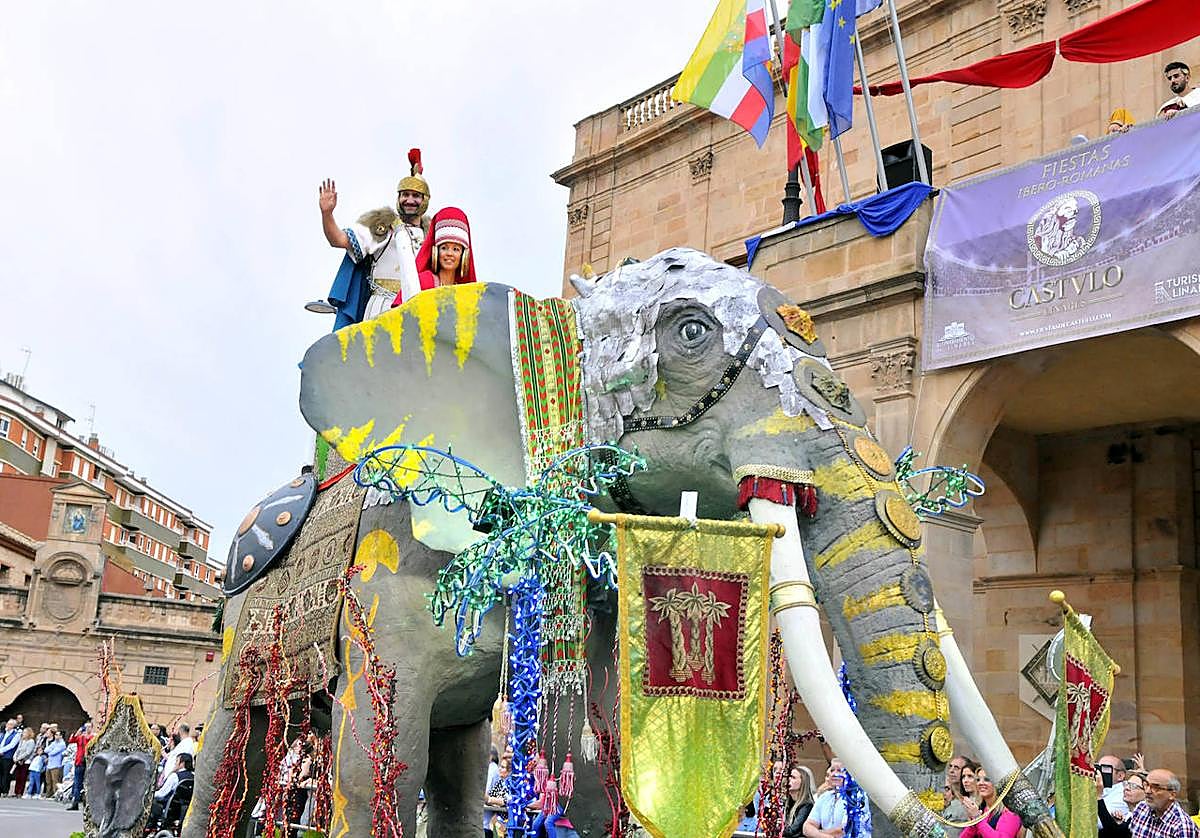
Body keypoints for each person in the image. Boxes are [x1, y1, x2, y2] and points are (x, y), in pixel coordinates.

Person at [319, 148, 432, 328]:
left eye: (416, 196)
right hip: (381, 306)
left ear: (425, 200)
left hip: (418, 310)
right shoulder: (384, 226)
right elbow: (339, 240)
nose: (410, 200)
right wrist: (327, 214)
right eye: (405, 194)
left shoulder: (431, 236)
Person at [392, 206, 478, 307]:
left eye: (456, 249)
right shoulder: (423, 281)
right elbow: (399, 311)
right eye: (444, 248)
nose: (449, 253)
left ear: (464, 255)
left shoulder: (465, 292)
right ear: (435, 251)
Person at [1127, 769, 1199, 838]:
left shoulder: (1182, 827)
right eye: (1146, 785)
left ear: (1172, 795)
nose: (1147, 791)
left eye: (1155, 788)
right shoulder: (1141, 808)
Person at [960, 770, 1021, 838]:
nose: (980, 783)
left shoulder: (1010, 811)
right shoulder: (981, 808)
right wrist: (973, 822)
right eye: (978, 780)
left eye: (987, 779)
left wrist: (978, 819)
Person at [149, 753, 194, 830]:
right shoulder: (193, 777)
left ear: (182, 763)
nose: (175, 764)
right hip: (184, 810)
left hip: (169, 809)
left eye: (176, 761)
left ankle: (150, 827)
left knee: (152, 802)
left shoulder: (175, 776)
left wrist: (150, 794)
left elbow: (162, 794)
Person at [804, 759, 847, 838]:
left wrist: (815, 833)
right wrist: (822, 836)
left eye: (839, 771)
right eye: (832, 770)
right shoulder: (824, 796)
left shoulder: (857, 797)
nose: (834, 774)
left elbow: (843, 830)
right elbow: (807, 827)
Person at [1099, 770, 1147, 838]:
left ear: (1146, 793)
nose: (1127, 788)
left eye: (1133, 786)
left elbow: (1113, 831)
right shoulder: (1129, 815)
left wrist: (1099, 797)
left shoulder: (1143, 818)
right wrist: (1120, 824)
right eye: (1126, 784)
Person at [784, 765, 816, 838]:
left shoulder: (807, 805)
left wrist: (774, 829)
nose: (789, 779)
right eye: (789, 777)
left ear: (802, 782)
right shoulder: (788, 803)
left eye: (793, 777)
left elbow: (792, 831)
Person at [66, 721, 92, 810]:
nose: (87, 729)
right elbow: (71, 740)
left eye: (89, 727)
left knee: (86, 783)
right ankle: (75, 802)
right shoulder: (80, 737)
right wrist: (78, 732)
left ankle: (85, 802)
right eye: (86, 727)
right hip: (79, 762)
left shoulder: (93, 737)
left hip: (88, 762)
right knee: (77, 783)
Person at [1098, 754, 1131, 820]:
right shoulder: (1102, 788)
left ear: (1120, 776)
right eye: (1098, 768)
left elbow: (1099, 821)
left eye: (1105, 769)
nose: (1099, 772)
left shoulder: (1123, 794)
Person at [11, 727, 34, 797]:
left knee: (22, 777)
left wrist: (19, 758)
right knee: (17, 777)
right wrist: (15, 757)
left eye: (25, 732)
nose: (23, 734)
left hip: (25, 761)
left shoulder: (31, 741)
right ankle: (16, 792)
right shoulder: (22, 740)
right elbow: (18, 750)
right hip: (18, 760)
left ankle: (20, 792)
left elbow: (28, 752)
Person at [44, 728, 66, 798]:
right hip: (49, 764)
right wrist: (51, 750)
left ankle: (55, 794)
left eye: (57, 735)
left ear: (61, 736)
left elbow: (53, 753)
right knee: (48, 781)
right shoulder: (54, 743)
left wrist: (51, 750)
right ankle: (48, 794)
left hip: (56, 765)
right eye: (55, 735)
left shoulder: (62, 744)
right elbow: (46, 750)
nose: (55, 736)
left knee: (55, 781)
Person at [0, 719, 19, 796]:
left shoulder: (16, 734)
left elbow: (12, 745)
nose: (8, 725)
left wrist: (1, 750)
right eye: (8, 724)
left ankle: (5, 791)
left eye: (10, 724)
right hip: (1, 756)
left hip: (8, 757)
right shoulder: (3, 733)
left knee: (6, 774)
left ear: (13, 726)